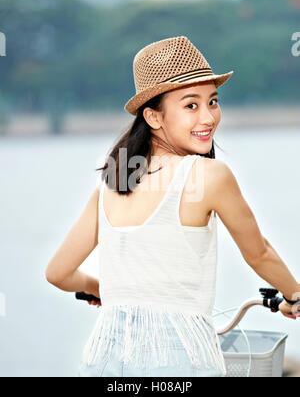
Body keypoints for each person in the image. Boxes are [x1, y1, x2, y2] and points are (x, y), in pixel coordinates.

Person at [45, 36, 300, 377]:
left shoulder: (113, 182)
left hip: (103, 362)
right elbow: (260, 253)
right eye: (191, 105)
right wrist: (294, 294)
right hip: (182, 362)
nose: (208, 117)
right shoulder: (209, 175)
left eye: (213, 101)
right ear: (153, 116)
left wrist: (105, 290)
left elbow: (58, 273)